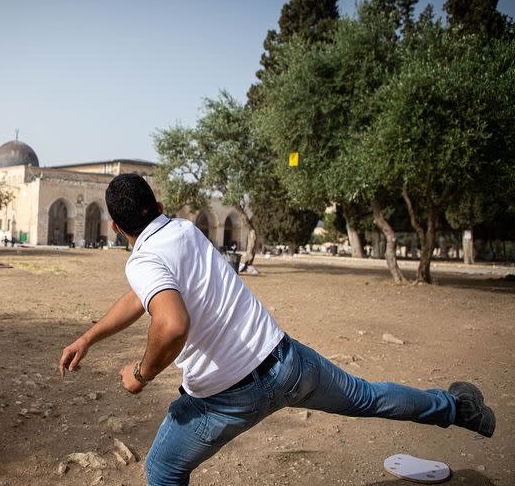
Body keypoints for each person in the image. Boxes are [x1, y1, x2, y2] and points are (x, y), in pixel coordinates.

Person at [59, 173, 495, 486]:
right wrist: (88, 337)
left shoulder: (143, 260)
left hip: (223, 398)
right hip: (286, 364)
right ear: (157, 209)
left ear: (116, 229)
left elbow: (171, 324)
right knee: (368, 396)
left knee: (161, 471)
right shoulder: (184, 231)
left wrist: (140, 375)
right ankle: (458, 409)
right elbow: (141, 297)